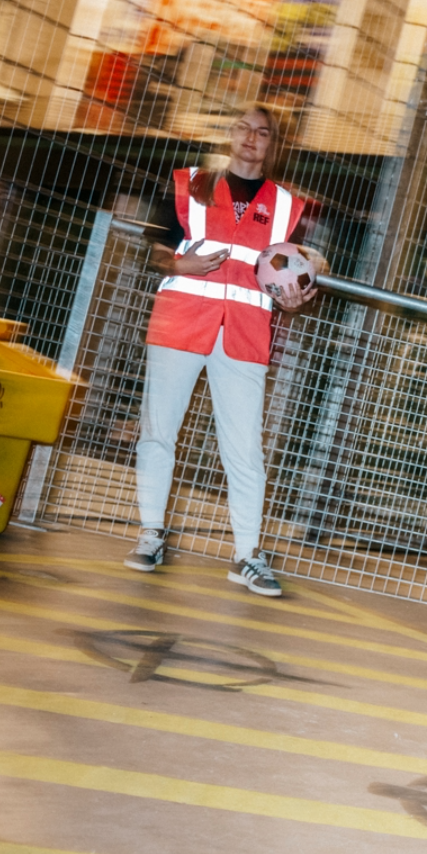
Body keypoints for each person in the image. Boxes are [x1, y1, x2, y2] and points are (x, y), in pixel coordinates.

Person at [123, 104, 318, 596]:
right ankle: (151, 533)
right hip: (180, 326)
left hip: (245, 337)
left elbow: (288, 281)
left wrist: (294, 304)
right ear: (231, 134)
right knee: (158, 434)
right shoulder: (194, 184)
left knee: (245, 452)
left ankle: (248, 555)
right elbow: (156, 249)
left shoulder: (288, 208)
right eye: (244, 128)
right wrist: (181, 266)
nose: (252, 138)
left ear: (275, 145)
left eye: (264, 133)